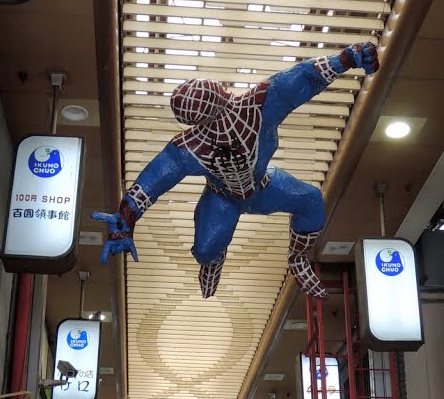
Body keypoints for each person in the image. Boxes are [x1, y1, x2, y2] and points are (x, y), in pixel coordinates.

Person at [92, 44, 379, 300]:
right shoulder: (192, 146)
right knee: (205, 250)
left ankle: (297, 257)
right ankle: (215, 258)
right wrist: (126, 221)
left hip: (263, 185)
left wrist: (348, 57)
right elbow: (151, 182)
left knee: (311, 199)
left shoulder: (259, 103)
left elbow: (304, 76)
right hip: (221, 199)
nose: (222, 124)